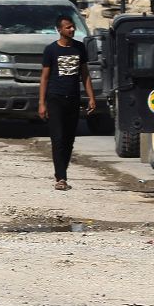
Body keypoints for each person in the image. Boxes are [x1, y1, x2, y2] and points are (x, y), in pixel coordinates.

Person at [38, 15, 96, 191]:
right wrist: (41, 102)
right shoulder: (51, 50)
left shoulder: (79, 48)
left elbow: (85, 74)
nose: (71, 30)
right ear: (60, 30)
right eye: (68, 27)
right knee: (57, 138)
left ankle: (63, 173)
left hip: (73, 99)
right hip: (55, 98)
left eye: (72, 27)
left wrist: (91, 97)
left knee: (69, 139)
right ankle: (60, 178)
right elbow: (45, 78)